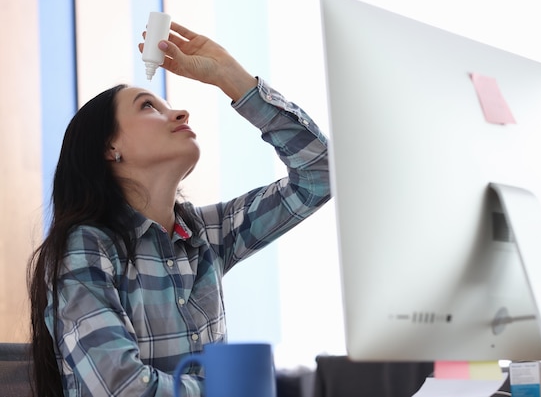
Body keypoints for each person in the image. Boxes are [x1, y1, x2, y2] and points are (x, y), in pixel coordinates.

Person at [28, 20, 330, 397]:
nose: (180, 113)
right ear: (109, 148)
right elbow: (120, 389)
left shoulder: (207, 236)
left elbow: (320, 173)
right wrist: (226, 390)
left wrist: (231, 78)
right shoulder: (86, 248)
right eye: (149, 106)